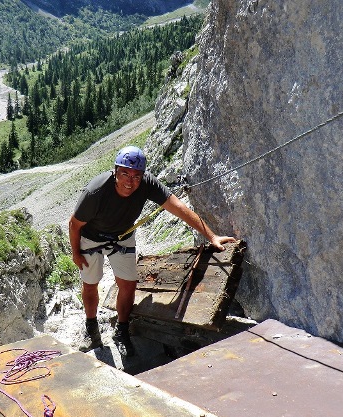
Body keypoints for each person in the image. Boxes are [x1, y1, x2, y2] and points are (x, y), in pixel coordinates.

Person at [69, 145, 236, 356]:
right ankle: (91, 328)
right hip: (91, 238)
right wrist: (76, 253)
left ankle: (122, 331)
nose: (130, 181)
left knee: (128, 284)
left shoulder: (148, 184)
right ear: (115, 171)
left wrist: (211, 236)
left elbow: (179, 208)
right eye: (125, 174)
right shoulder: (96, 191)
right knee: (91, 283)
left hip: (122, 236)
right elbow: (74, 225)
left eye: (136, 176)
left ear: (142, 175)